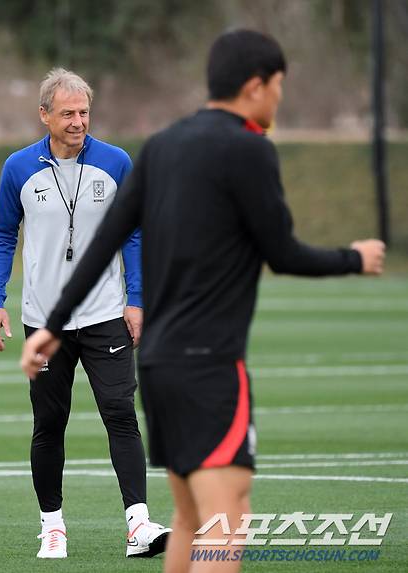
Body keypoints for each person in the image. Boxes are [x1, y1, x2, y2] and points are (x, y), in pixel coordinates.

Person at [20, 30, 386, 573]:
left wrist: (51, 324)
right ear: (256, 86)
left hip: (161, 361)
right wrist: (354, 258)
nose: (279, 98)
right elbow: (281, 253)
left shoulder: (164, 145)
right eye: (279, 86)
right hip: (211, 365)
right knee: (226, 517)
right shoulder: (250, 148)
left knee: (191, 519)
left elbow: (103, 244)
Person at [0, 68, 171, 559]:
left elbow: (134, 233)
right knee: (49, 423)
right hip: (43, 321)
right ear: (44, 114)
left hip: (106, 313)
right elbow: (2, 234)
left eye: (84, 112)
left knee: (120, 414)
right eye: (67, 113)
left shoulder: (117, 163)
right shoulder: (18, 168)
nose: (78, 121)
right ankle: (52, 526)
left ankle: (139, 525)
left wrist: (136, 299)